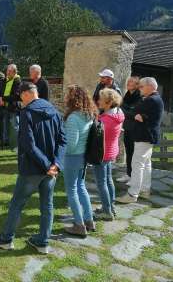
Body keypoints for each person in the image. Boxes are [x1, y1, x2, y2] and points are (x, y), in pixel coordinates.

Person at [0, 82, 65, 254]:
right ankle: (42, 242)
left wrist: (49, 165)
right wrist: (55, 164)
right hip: (51, 169)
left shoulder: (27, 113)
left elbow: (28, 145)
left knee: (17, 203)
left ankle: (6, 239)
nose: (20, 99)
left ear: (26, 94)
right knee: (47, 205)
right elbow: (62, 141)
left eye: (20, 95)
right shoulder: (53, 109)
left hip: (33, 169)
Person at [117, 77, 164, 204]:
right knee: (146, 163)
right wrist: (137, 116)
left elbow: (132, 112)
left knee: (137, 165)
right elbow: (136, 114)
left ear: (150, 87)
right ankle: (144, 190)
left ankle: (132, 194)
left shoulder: (150, 100)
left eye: (142, 86)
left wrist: (126, 109)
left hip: (144, 136)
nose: (139, 88)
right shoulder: (155, 99)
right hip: (149, 136)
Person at [62, 85, 96, 237]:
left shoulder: (73, 117)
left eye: (67, 95)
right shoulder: (88, 114)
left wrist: (59, 151)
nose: (65, 98)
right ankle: (89, 220)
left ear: (73, 98)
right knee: (81, 187)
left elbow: (71, 144)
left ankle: (79, 225)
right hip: (83, 156)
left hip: (72, 158)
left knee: (72, 190)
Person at [94, 88, 124, 221]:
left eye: (100, 99)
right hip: (111, 151)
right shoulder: (118, 113)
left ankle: (106, 211)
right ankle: (110, 206)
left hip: (102, 153)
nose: (98, 101)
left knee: (102, 183)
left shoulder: (106, 120)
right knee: (108, 180)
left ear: (107, 102)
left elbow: (96, 135)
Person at [117, 76, 142, 183]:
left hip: (135, 128)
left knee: (134, 152)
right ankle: (129, 173)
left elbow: (132, 112)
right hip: (127, 126)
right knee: (128, 151)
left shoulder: (139, 97)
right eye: (128, 81)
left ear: (137, 85)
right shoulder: (127, 95)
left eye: (131, 82)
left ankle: (134, 176)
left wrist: (122, 107)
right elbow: (126, 110)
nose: (128, 83)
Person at [0, 64, 21, 151]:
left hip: (14, 107)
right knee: (5, 125)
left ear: (14, 72)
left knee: (15, 126)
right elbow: (0, 91)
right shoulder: (4, 80)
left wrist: (3, 98)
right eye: (7, 71)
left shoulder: (18, 81)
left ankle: (17, 144)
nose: (7, 73)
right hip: (5, 107)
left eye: (9, 71)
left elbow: (17, 96)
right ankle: (5, 141)